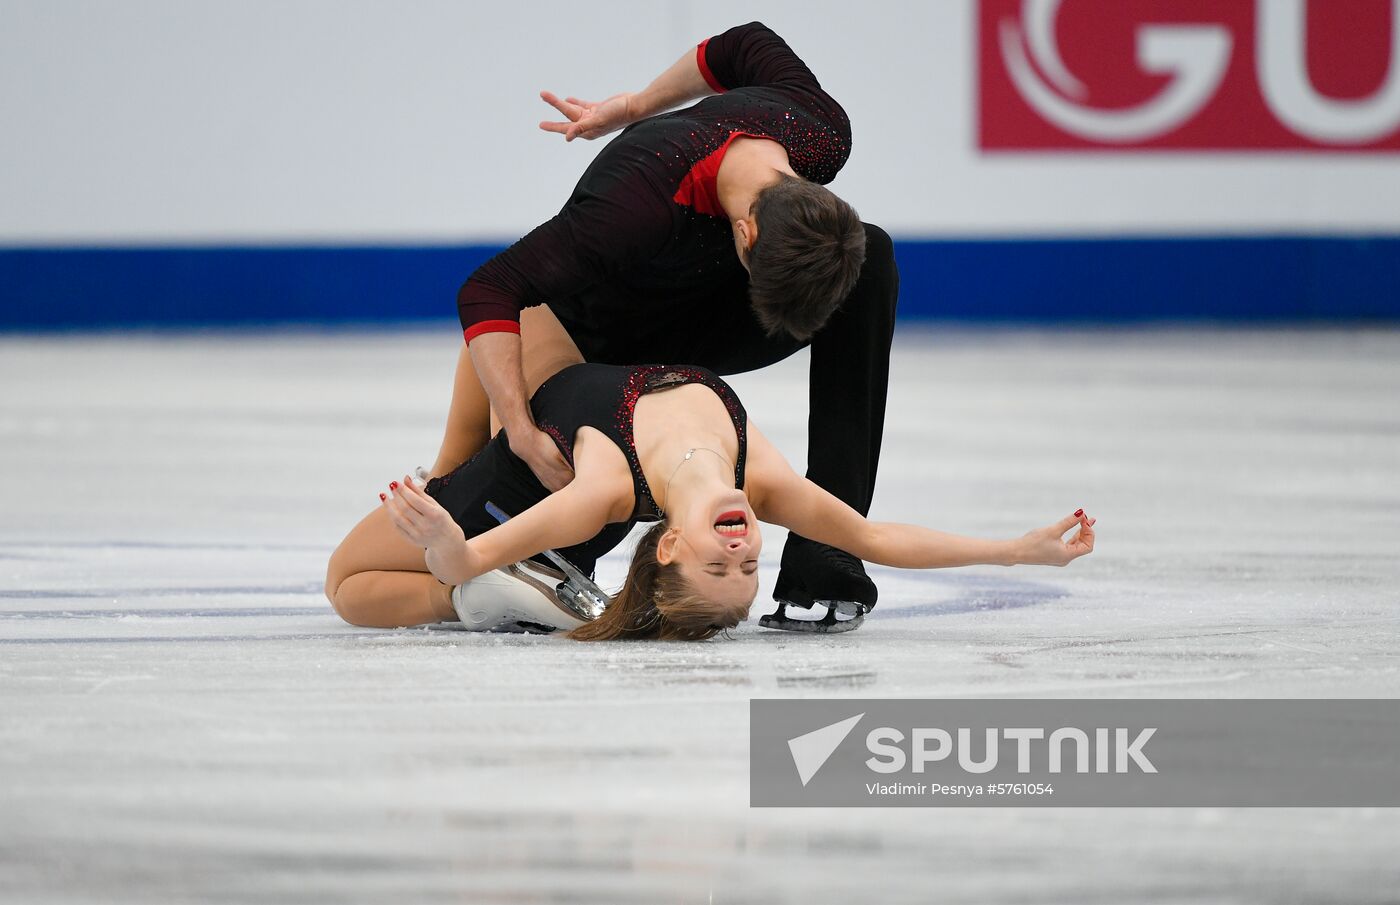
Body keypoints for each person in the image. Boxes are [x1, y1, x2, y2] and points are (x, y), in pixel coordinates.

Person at [436, 21, 900, 627]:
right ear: (746, 234)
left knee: (871, 257)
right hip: (606, 344)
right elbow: (489, 289)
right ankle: (529, 538)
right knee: (565, 522)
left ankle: (827, 550)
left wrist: (636, 103)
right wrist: (522, 432)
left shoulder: (818, 133)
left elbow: (742, 43)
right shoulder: (634, 202)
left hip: (708, 313)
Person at [326, 352, 1097, 641]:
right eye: (749, 569)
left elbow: (462, 555)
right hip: (532, 431)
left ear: (668, 543)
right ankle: (520, 577)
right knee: (521, 322)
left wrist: (448, 534)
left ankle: (479, 602)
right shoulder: (760, 478)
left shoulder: (601, 490)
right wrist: (1015, 550)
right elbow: (874, 539)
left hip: (497, 501)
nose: (740, 552)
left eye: (716, 567)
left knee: (347, 586)